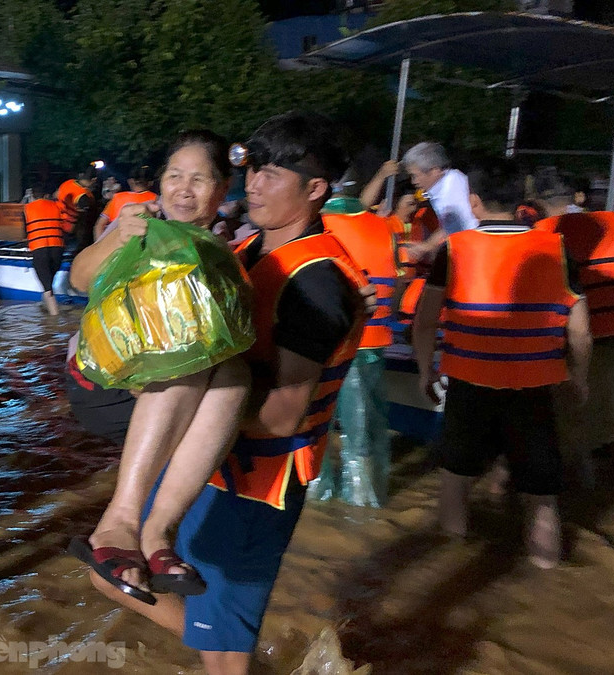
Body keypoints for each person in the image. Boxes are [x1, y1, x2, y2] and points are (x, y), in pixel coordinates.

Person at [81, 113, 367, 675]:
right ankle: (250, 658)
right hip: (206, 468)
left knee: (222, 650)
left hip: (257, 485)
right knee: (112, 572)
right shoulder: (248, 250)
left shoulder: (317, 282)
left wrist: (168, 399)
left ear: (315, 189)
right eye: (253, 169)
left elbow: (282, 415)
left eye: (273, 174)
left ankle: (237, 657)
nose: (254, 184)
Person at [67, 130, 253, 605]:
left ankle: (156, 533)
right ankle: (117, 523)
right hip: (105, 382)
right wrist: (118, 237)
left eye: (199, 179)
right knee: (186, 357)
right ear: (161, 182)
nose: (184, 189)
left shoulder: (227, 246)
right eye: (175, 176)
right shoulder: (141, 226)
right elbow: (79, 279)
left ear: (223, 187)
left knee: (236, 377)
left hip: (169, 390)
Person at [412, 164, 591, 569]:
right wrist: (578, 379)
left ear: (474, 201)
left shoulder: (453, 249)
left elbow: (424, 322)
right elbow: (580, 332)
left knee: (456, 479)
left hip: (468, 384)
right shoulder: (557, 248)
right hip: (534, 387)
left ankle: (451, 568)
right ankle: (547, 572)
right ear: (522, 201)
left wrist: (426, 372)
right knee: (541, 495)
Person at [535, 172, 614, 485]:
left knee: (581, 412)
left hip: (592, 328)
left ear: (538, 202)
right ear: (576, 196)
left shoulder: (545, 231)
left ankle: (585, 484)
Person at [312, 200, 400, 507]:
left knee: (314, 425)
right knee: (364, 427)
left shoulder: (317, 224)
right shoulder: (386, 227)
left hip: (322, 346)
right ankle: (365, 498)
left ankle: (317, 496)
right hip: (371, 343)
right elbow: (397, 285)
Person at [400, 142, 479, 262]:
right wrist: (426, 246)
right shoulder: (447, 183)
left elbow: (463, 228)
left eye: (415, 176)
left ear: (435, 171)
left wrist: (429, 248)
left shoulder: (449, 192)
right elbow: (449, 225)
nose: (413, 182)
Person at [23, 186, 71, 316]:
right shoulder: (58, 206)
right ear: (46, 195)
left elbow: (24, 233)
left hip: (39, 249)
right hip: (57, 249)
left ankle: (54, 319)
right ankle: (44, 305)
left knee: (48, 288)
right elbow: (66, 228)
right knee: (48, 281)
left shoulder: (27, 209)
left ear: (32, 195)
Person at [95, 166, 158, 239]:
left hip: (114, 242)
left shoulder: (117, 198)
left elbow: (99, 226)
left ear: (130, 181)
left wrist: (100, 243)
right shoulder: (156, 199)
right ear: (151, 183)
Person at [57, 168, 96, 252]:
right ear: (93, 180)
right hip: (70, 227)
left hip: (58, 221)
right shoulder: (83, 195)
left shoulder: (68, 183)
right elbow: (84, 217)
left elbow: (56, 195)